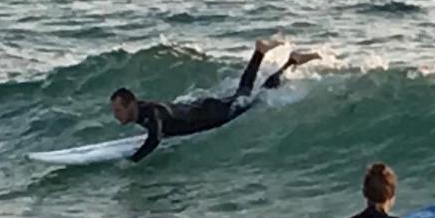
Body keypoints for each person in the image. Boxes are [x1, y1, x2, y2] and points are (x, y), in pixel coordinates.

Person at [110, 39, 320, 162]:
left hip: (213, 115)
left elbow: (155, 139)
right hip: (204, 107)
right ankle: (266, 53)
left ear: (131, 104)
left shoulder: (151, 114)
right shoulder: (144, 111)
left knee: (255, 97)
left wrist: (132, 161)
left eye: (118, 110)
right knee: (244, 93)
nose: (115, 115)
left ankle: (288, 60)